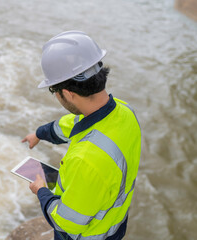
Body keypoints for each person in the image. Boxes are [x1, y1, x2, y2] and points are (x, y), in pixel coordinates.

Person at [21, 31, 141, 240]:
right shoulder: (125, 112)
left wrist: (42, 191)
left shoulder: (85, 160)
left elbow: (67, 224)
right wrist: (39, 134)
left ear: (66, 93)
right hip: (114, 222)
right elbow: (72, 124)